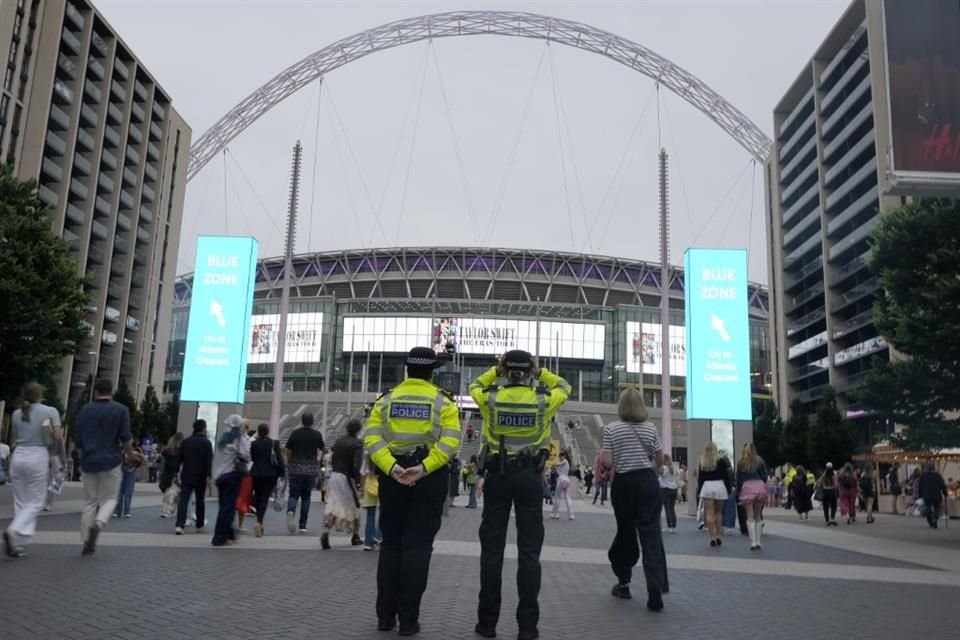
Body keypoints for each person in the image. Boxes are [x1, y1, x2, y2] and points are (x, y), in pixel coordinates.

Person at [470, 349, 571, 640]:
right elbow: (565, 386)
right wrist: (541, 372)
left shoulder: (491, 398)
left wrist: (495, 371)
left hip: (498, 478)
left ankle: (487, 623)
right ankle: (527, 627)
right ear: (530, 370)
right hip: (529, 479)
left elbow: (473, 386)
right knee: (529, 554)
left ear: (505, 369)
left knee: (492, 552)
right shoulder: (543, 400)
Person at [364, 346, 461, 636]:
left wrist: (392, 468)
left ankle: (384, 617)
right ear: (433, 371)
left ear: (407, 368)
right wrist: (424, 467)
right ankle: (408, 620)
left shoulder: (386, 399)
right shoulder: (443, 402)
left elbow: (372, 438)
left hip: (393, 478)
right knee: (418, 548)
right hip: (428, 479)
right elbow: (450, 443)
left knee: (391, 545)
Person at [600, 388, 668, 611]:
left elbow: (608, 462)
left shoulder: (611, 429)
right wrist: (655, 468)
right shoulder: (650, 428)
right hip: (647, 483)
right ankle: (655, 588)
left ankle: (624, 582)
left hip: (624, 484)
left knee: (626, 533)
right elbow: (659, 458)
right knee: (651, 537)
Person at [72, 378, 134, 556]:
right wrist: (130, 455)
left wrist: (82, 457)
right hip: (111, 460)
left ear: (96, 391)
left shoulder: (85, 410)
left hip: (89, 460)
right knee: (110, 499)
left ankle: (85, 541)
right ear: (111, 391)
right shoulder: (121, 410)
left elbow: (78, 438)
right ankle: (99, 523)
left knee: (89, 502)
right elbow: (125, 437)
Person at [3, 382, 63, 558]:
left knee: (21, 500)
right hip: (37, 455)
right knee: (36, 500)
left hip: (18, 455)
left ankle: (19, 542)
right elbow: (58, 437)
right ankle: (13, 530)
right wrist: (50, 431)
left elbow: (16, 435)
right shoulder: (50, 411)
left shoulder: (16, 413)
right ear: (41, 394)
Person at [321, 419, 364, 549]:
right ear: (358, 430)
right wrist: (358, 482)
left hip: (335, 475)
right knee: (356, 505)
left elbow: (332, 457)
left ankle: (326, 531)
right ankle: (355, 535)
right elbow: (357, 465)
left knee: (334, 504)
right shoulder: (357, 444)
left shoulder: (339, 441)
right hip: (347, 478)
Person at [211, 415, 250, 547]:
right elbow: (246, 455)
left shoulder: (222, 438)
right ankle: (220, 537)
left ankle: (229, 534)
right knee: (228, 508)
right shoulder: (239, 438)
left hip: (219, 476)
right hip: (232, 476)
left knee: (224, 506)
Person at [285, 412, 325, 534]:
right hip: (311, 470)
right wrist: (319, 460)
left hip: (296, 469)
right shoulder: (317, 434)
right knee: (306, 497)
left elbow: (288, 450)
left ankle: (291, 510)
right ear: (312, 421)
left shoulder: (295, 433)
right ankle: (303, 525)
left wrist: (290, 462)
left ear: (302, 421)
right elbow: (323, 449)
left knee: (293, 495)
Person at [175, 420, 214, 535]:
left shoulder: (186, 442)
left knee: (184, 500)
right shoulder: (207, 443)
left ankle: (179, 525)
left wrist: (175, 473)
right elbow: (209, 462)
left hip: (187, 474)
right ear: (203, 428)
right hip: (200, 476)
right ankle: (200, 523)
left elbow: (179, 459)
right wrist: (209, 476)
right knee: (200, 500)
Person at [249, 423, 284, 537]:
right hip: (270, 474)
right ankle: (259, 522)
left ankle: (260, 522)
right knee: (264, 498)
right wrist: (282, 473)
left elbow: (252, 458)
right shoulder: (274, 443)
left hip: (256, 473)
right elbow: (279, 459)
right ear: (268, 431)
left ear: (258, 431)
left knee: (258, 497)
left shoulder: (254, 444)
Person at [697, 441, 731, 547]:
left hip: (707, 486)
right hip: (719, 485)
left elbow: (700, 478)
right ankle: (718, 536)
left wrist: (699, 491)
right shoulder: (721, 461)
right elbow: (726, 477)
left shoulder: (702, 461)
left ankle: (711, 537)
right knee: (718, 512)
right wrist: (728, 489)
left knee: (709, 512)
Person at [736, 443, 768, 550]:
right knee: (758, 514)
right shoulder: (760, 460)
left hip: (747, 487)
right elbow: (764, 476)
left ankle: (753, 541)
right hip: (759, 486)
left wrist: (739, 491)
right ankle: (758, 541)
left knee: (749, 515)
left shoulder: (741, 462)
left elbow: (738, 479)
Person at [113, 441, 144, 518]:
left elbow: (142, 459)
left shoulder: (137, 450)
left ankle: (127, 511)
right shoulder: (122, 450)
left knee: (128, 491)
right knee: (119, 491)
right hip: (121, 471)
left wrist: (137, 454)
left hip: (131, 472)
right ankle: (117, 511)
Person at [235, 422, 256, 533]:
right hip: (246, 472)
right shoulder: (251, 441)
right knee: (243, 497)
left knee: (234, 497)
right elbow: (249, 457)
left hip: (232, 471)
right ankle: (240, 524)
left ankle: (232, 522)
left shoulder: (231, 439)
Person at [360, 450, 382, 550]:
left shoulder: (367, 454)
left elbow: (363, 473)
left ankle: (368, 542)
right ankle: (380, 538)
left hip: (369, 485)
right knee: (383, 514)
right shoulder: (384, 452)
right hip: (382, 484)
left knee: (370, 515)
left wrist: (361, 488)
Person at [159, 433, 183, 518]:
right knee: (176, 493)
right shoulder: (180, 451)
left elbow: (163, 461)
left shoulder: (167, 451)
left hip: (166, 473)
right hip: (175, 474)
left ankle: (165, 510)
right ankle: (169, 509)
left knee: (167, 493)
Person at [917, 462, 948, 529]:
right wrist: (945, 493)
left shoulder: (923, 475)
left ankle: (930, 521)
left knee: (928, 507)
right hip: (936, 494)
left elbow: (920, 486)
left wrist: (919, 494)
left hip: (926, 494)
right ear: (933, 468)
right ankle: (935, 519)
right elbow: (942, 485)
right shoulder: (938, 475)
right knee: (937, 508)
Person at [550, 451, 575, 521]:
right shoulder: (566, 462)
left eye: (561, 456)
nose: (560, 458)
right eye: (560, 456)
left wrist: (555, 464)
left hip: (561, 480)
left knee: (557, 497)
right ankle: (571, 514)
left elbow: (558, 464)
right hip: (566, 480)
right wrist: (555, 466)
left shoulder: (565, 461)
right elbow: (557, 470)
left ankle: (556, 514)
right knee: (567, 497)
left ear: (564, 456)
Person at [659, 453, 679, 533]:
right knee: (672, 508)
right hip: (674, 489)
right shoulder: (674, 468)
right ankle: (674, 526)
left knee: (667, 509)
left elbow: (661, 475)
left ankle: (669, 526)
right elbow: (677, 476)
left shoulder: (664, 468)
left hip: (665, 489)